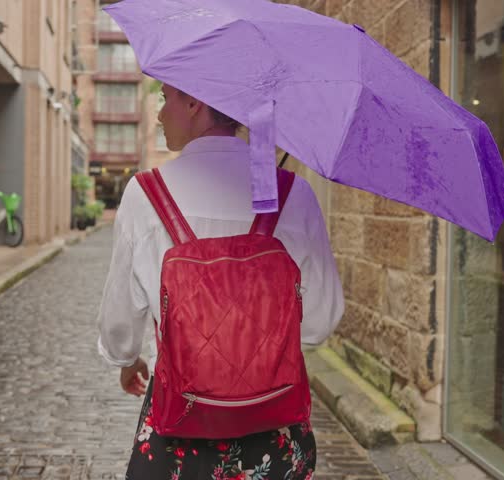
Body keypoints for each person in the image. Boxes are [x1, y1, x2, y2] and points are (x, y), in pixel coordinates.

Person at [97, 83, 344, 479]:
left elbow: (119, 323)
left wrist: (126, 359)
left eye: (165, 97)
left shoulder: (145, 195)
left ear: (194, 101)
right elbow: (318, 323)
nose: (160, 114)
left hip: (180, 427)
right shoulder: (294, 195)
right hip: (273, 428)